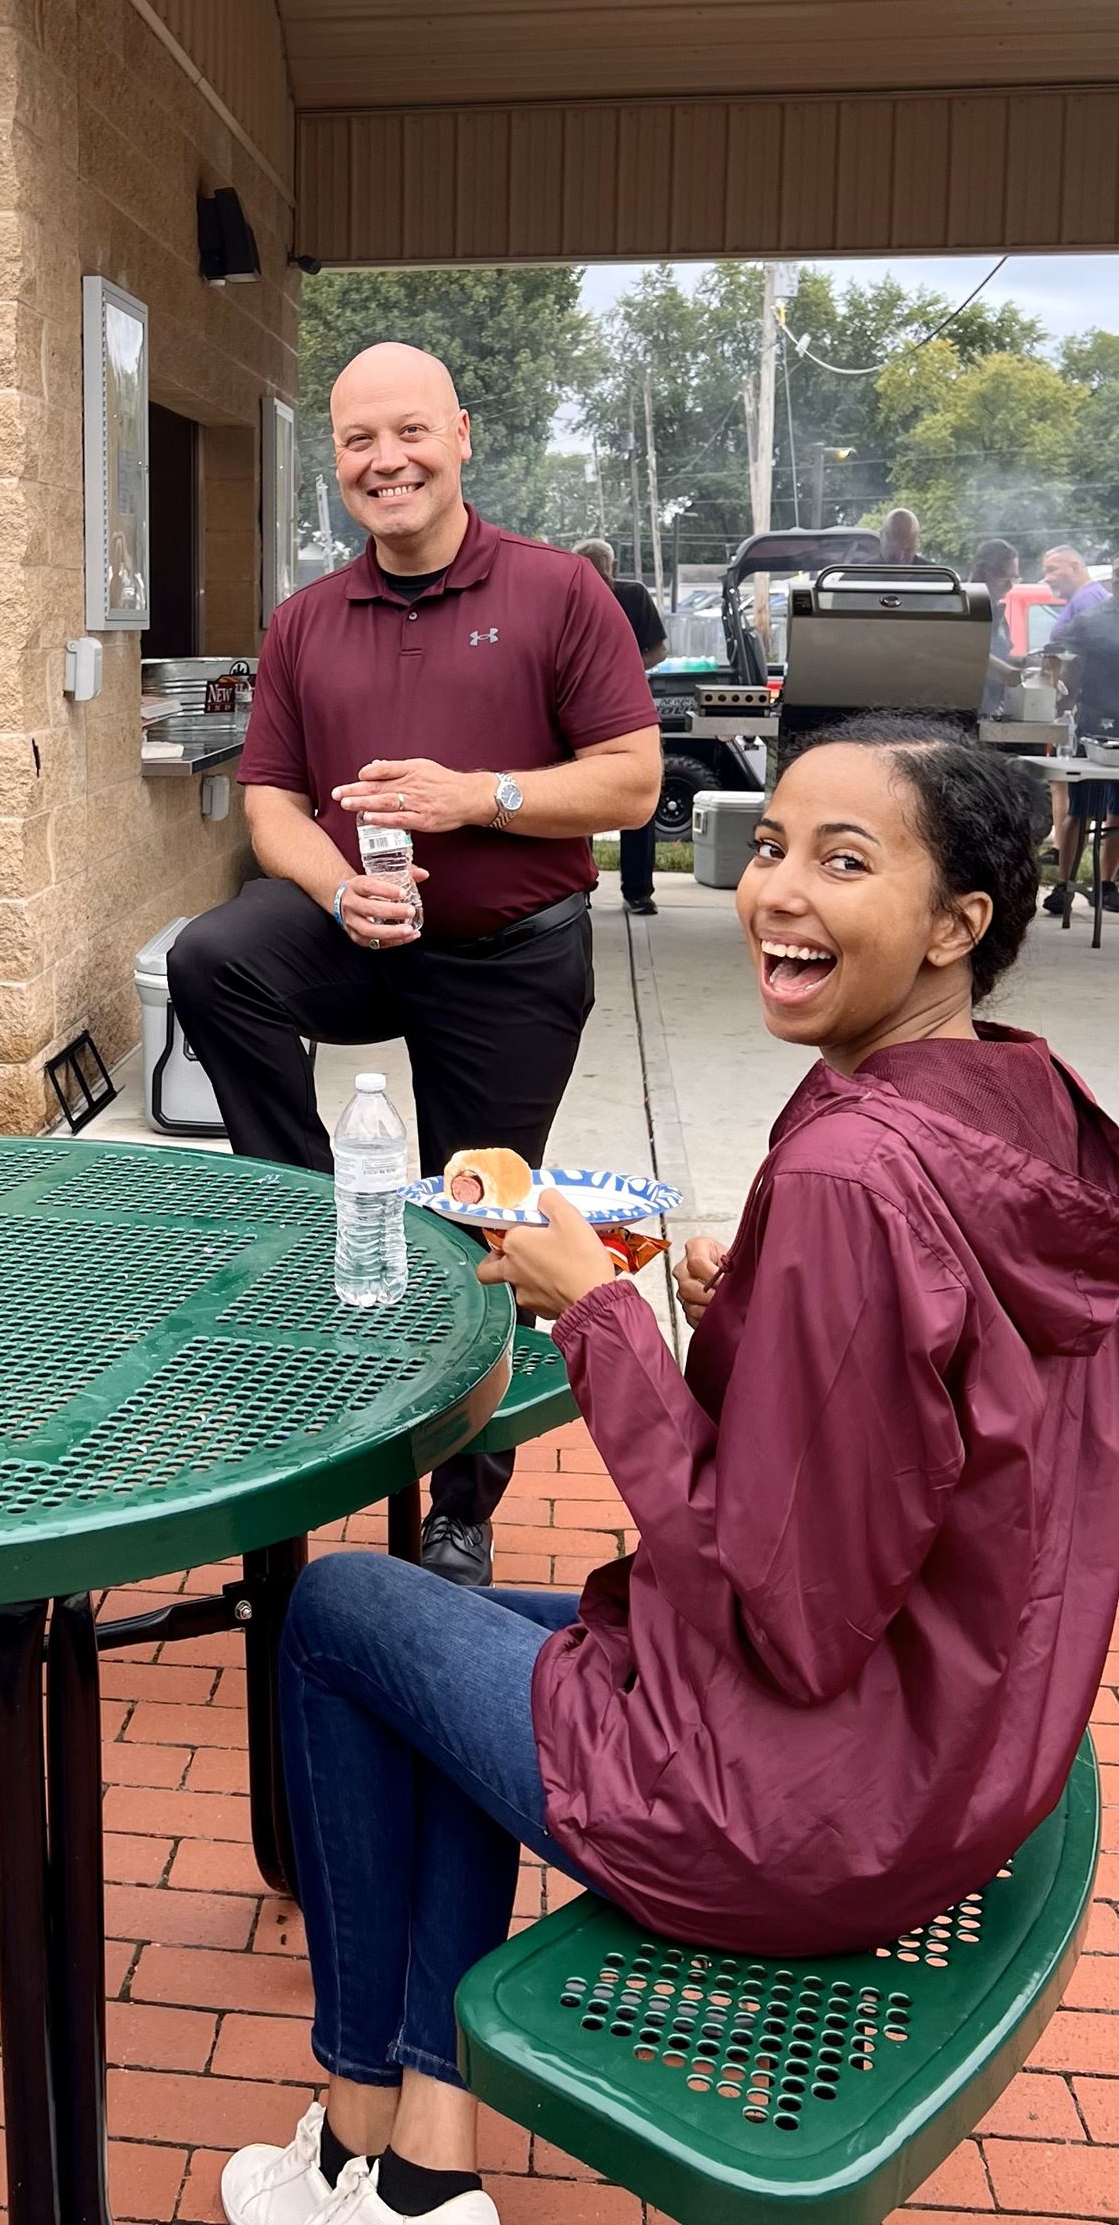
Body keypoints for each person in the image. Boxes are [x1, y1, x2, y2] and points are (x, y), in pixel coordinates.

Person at [220, 720, 1119, 2225]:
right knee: (445, 1657)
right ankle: (415, 2172)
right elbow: (936, 1404)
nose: (778, 891)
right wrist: (759, 1295)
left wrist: (599, 1313)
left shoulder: (847, 1170)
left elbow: (793, 1610)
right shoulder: (1019, 1103)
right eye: (768, 847)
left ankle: (350, 2122)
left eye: (844, 861)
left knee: (341, 1620)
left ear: (960, 924)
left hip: (804, 1806)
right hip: (952, 1746)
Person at [169, 343, 660, 1590]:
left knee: (483, 1204)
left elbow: (633, 781)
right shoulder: (306, 620)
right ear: (336, 461)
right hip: (363, 933)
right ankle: (318, 1214)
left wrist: (476, 796)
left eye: (408, 433)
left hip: (509, 957)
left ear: (461, 435)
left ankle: (463, 1501)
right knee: (215, 955)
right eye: (356, 442)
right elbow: (269, 801)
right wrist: (338, 887)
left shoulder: (557, 594)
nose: (384, 461)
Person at [573, 540, 666, 915]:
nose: (597, 572)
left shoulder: (634, 595)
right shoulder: (566, 593)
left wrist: (623, 671)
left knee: (636, 799)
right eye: (588, 565)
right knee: (578, 801)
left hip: (629, 709)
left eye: (601, 566)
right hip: (575, 708)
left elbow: (658, 650)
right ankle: (581, 886)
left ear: (614, 565)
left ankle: (638, 891)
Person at [1038, 548, 1112, 915]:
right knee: (1080, 807)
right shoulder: (1095, 615)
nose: (1048, 577)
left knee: (1115, 812)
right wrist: (1062, 704)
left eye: (1053, 569)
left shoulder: (1093, 605)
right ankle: (1065, 886)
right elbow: (1069, 666)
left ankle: (1104, 884)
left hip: (1103, 723)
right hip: (1093, 726)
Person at [969, 536, 1020, 719]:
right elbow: (967, 654)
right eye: (1003, 577)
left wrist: (1031, 666)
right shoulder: (963, 608)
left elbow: (1003, 655)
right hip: (967, 714)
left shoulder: (998, 611)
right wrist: (1012, 675)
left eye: (1013, 579)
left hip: (992, 711)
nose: (1009, 586)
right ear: (983, 570)